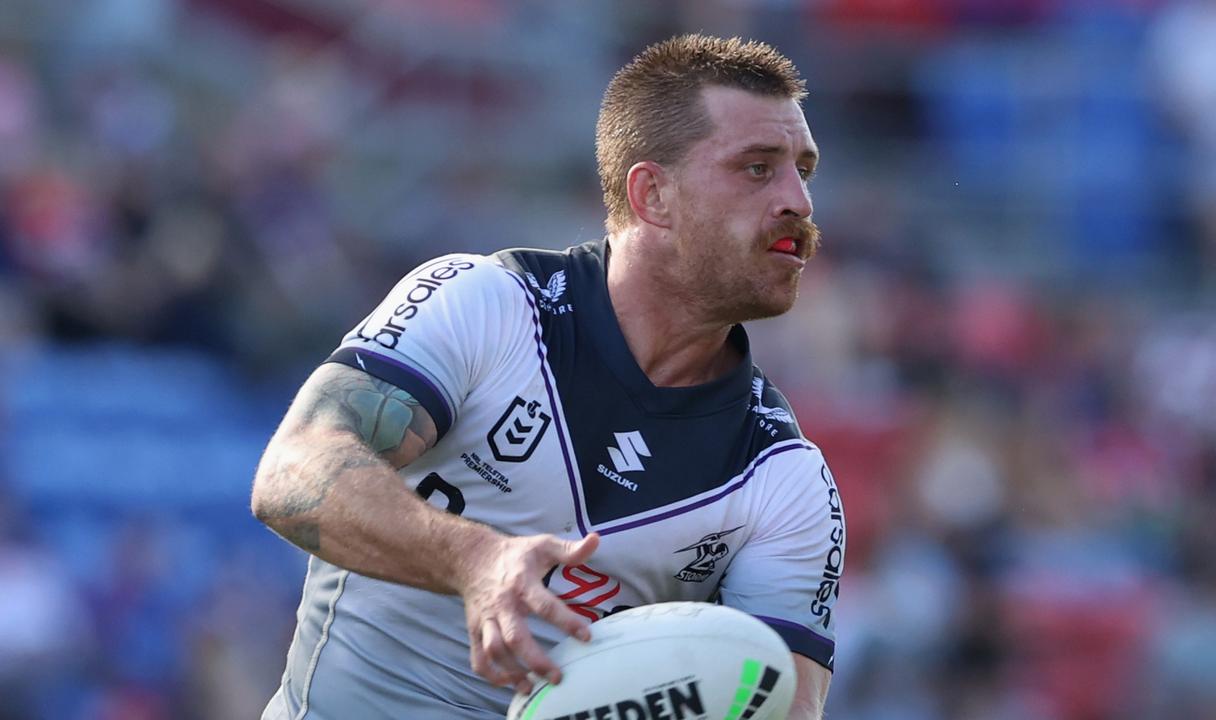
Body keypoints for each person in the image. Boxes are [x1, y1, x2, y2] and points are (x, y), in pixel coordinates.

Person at [252, 34, 845, 720]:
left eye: (804, 170)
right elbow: (291, 475)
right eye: (756, 168)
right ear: (653, 195)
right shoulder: (485, 304)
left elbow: (783, 704)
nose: (799, 201)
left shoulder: (785, 481)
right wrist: (475, 560)